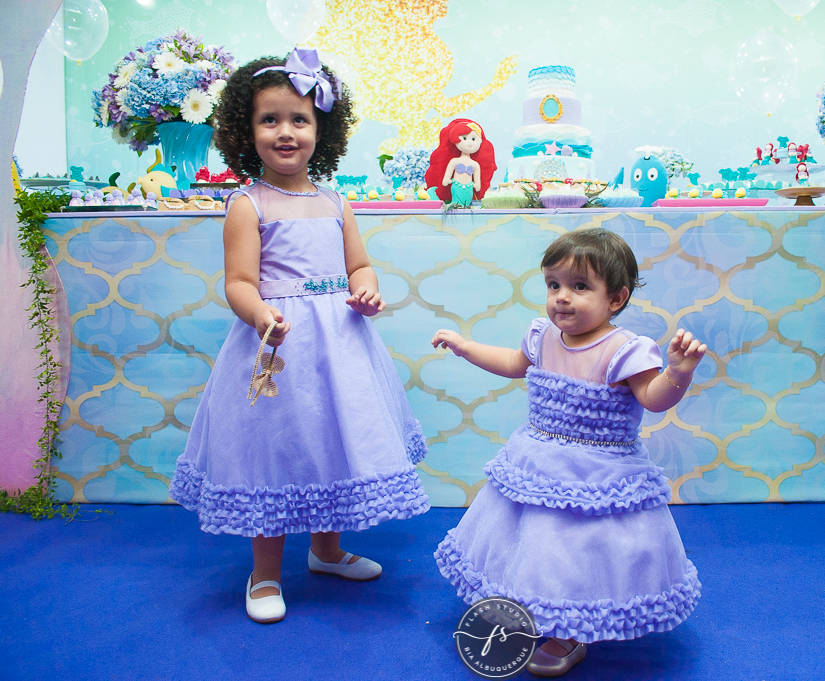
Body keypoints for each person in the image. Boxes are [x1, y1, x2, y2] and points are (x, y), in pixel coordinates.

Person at [169, 48, 430, 624]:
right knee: (277, 453)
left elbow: (359, 265)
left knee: (331, 442)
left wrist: (366, 290)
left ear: (322, 130)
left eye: (300, 120)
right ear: (246, 129)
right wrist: (261, 315)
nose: (285, 133)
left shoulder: (336, 201)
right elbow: (239, 282)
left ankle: (327, 550)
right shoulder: (247, 203)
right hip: (279, 347)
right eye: (270, 120)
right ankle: (264, 573)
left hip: (340, 344)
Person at [432, 228, 704, 676]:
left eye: (580, 287)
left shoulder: (626, 349)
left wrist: (678, 372)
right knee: (533, 541)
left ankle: (568, 631)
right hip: (537, 460)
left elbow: (654, 398)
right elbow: (511, 365)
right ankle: (526, 603)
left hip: (598, 469)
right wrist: (465, 347)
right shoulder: (541, 336)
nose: (562, 297)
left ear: (615, 299)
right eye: (554, 284)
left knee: (575, 550)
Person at [424, 118, 496, 206]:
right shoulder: (454, 161)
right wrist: (446, 179)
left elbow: (477, 179)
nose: (469, 143)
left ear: (480, 141)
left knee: (466, 203)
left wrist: (477, 184)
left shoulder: (475, 164)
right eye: (464, 138)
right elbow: (448, 173)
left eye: (473, 139)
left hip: (469, 188)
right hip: (456, 186)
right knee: (456, 202)